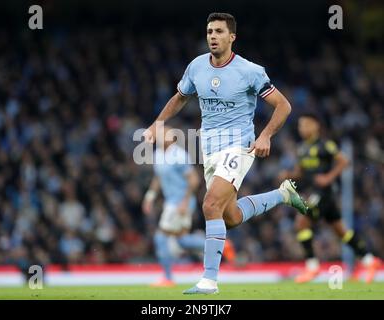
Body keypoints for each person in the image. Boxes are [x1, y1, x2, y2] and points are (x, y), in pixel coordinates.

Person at [143, 12, 308, 294]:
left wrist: (265, 135)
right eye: (209, 32)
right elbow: (180, 98)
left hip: (239, 146)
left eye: (219, 32)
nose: (213, 37)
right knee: (229, 216)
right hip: (210, 150)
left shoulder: (250, 71)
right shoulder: (196, 67)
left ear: (232, 37)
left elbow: (283, 106)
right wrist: (157, 123)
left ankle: (209, 280)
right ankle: (283, 194)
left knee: (210, 204)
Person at [278, 113, 381, 283]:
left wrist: (329, 177)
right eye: (300, 125)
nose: (302, 128)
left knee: (301, 222)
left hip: (324, 193)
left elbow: (344, 161)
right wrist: (289, 174)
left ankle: (312, 267)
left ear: (316, 126)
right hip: (317, 193)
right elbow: (300, 172)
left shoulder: (325, 145)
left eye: (305, 124)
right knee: (341, 231)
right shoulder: (302, 148)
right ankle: (370, 261)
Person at [142, 125, 235, 287]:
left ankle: (167, 278)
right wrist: (150, 196)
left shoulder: (179, 155)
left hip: (178, 203)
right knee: (182, 241)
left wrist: (184, 201)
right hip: (172, 202)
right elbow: (158, 178)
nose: (163, 136)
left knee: (160, 237)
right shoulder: (157, 155)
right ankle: (222, 244)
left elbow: (193, 179)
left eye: (166, 133)